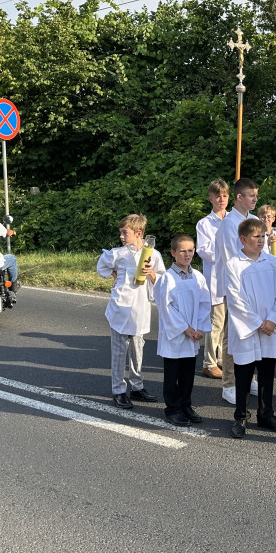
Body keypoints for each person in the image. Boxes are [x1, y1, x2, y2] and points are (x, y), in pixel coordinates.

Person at [226, 217, 276, 438]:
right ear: (243, 239)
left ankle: (266, 414)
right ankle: (240, 417)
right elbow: (235, 299)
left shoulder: (272, 262)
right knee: (243, 374)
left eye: (263, 236)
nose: (261, 240)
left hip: (269, 327)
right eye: (256, 236)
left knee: (267, 373)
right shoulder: (234, 264)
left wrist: (272, 320)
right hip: (247, 329)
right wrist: (256, 323)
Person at [96, 214, 166, 409]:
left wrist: (151, 273)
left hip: (140, 307)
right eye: (120, 232)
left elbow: (163, 279)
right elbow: (101, 265)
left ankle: (137, 386)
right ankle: (118, 390)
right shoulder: (118, 253)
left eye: (124, 232)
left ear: (139, 233)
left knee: (138, 349)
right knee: (119, 351)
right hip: (120, 306)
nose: (121, 236)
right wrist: (114, 274)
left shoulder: (153, 254)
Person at [154, 234, 212, 426]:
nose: (187, 254)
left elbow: (205, 303)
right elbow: (166, 308)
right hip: (176, 335)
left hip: (193, 335)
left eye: (191, 250)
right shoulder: (167, 279)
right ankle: (172, 408)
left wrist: (201, 328)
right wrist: (185, 328)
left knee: (187, 374)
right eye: (183, 251)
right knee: (173, 374)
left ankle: (186, 405)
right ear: (173, 253)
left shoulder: (198, 277)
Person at [214, 177, 261, 405]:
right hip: (235, 286)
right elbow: (231, 258)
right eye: (251, 196)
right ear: (239, 197)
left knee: (251, 334)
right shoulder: (228, 224)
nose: (255, 199)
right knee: (232, 335)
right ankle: (229, 383)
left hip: (255, 286)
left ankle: (248, 378)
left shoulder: (254, 220)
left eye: (256, 195)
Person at [195, 179, 229, 380]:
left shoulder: (233, 219)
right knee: (215, 323)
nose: (221, 199)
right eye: (217, 196)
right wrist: (225, 250)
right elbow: (204, 251)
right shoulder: (205, 223)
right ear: (211, 199)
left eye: (224, 195)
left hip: (231, 279)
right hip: (215, 279)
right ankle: (208, 362)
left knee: (228, 324)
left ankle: (223, 359)